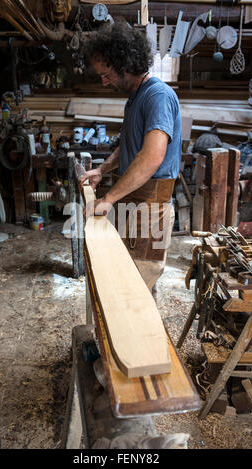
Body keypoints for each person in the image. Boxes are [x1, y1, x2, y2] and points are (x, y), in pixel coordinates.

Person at [80, 22, 182, 294]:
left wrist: (108, 198)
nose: (103, 81)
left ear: (124, 66)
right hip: (134, 203)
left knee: (135, 293)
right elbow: (130, 146)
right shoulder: (135, 98)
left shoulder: (157, 96)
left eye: (106, 74)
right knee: (129, 281)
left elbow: (151, 157)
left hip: (150, 210)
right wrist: (102, 169)